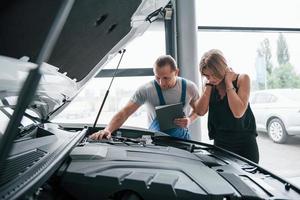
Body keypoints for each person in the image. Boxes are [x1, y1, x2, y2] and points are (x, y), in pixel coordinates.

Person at [89, 55, 199, 140]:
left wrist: (190, 119)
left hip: (182, 141)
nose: (161, 83)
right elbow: (125, 112)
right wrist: (108, 130)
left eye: (166, 78)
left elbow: (199, 110)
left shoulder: (190, 87)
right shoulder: (146, 90)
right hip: (157, 142)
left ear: (176, 72)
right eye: (157, 77)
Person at [194, 49, 259, 163]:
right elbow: (200, 111)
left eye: (213, 74)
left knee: (248, 179)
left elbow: (238, 112)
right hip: (221, 142)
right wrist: (208, 85)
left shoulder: (242, 79)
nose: (211, 79)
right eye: (207, 75)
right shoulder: (209, 84)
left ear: (221, 68)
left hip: (244, 142)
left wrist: (228, 82)